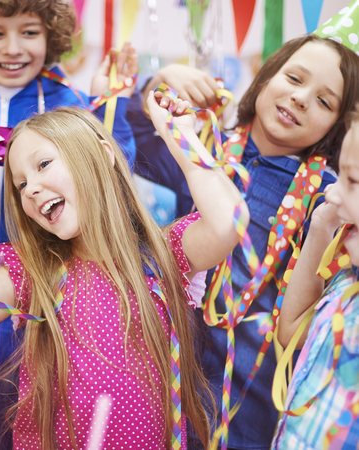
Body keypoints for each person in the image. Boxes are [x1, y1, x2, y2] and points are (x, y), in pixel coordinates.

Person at [0, 89, 248, 448]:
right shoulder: (36, 274)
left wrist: (179, 137)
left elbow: (229, 222)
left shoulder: (163, 255)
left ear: (103, 154)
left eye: (43, 165)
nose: (30, 190)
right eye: (21, 184)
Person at [0, 0, 137, 448]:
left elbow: (113, 188)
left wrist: (112, 112)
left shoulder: (73, 109)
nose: (13, 48)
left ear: (51, 36)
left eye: (29, 32)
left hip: (54, 346)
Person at [128, 34, 359, 449]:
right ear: (266, 76)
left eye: (325, 101)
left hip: (243, 404)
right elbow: (127, 137)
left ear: (336, 126)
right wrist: (158, 84)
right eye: (293, 78)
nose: (302, 98)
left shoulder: (328, 196)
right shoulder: (203, 142)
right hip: (165, 375)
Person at [273, 106, 359, 449]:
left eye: (353, 180)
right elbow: (291, 328)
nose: (332, 194)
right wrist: (322, 225)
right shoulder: (346, 276)